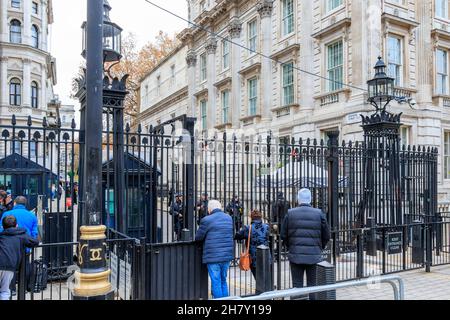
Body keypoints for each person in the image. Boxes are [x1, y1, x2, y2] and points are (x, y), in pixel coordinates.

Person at [281, 188, 330, 300]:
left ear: (298, 199)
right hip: (314, 255)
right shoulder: (319, 213)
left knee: (297, 286)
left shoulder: (290, 213)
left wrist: (291, 246)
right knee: (312, 286)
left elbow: (283, 235)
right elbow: (326, 235)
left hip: (295, 255)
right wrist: (319, 247)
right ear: (310, 199)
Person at [195, 200, 233, 299]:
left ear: (209, 209)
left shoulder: (206, 220)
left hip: (213, 256)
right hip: (226, 256)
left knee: (216, 282)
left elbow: (198, 237)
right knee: (223, 280)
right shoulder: (228, 218)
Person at [0, 216, 39, 300]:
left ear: (3, 227)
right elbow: (35, 242)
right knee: (4, 291)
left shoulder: (2, 236)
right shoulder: (21, 235)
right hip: (9, 265)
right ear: (16, 225)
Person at [235, 210, 270, 279]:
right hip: (266, 256)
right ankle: (267, 288)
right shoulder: (266, 227)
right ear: (261, 217)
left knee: (258, 278)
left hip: (254, 258)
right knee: (266, 278)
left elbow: (237, 236)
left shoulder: (248, 228)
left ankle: (262, 289)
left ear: (251, 218)